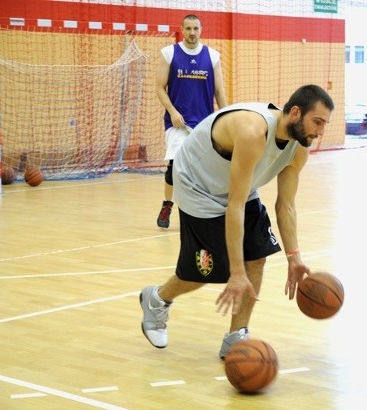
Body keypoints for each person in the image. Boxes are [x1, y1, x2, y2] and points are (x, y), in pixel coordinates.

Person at [139, 84, 335, 359]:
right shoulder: (252, 131)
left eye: (325, 124)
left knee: (257, 258)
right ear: (294, 113)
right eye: (317, 122)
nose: (321, 131)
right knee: (205, 273)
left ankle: (236, 335)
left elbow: (286, 205)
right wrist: (236, 271)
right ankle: (157, 298)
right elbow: (235, 204)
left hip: (237, 186)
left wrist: (294, 257)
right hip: (198, 185)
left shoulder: (298, 149)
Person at [156, 14, 228, 228]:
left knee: (204, 169)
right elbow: (160, 87)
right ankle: (167, 205)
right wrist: (172, 111)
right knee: (174, 167)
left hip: (204, 124)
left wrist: (227, 116)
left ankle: (202, 209)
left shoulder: (212, 56)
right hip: (177, 123)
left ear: (201, 29)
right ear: (182, 29)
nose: (192, 32)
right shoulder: (169, 53)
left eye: (195, 28)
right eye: (188, 28)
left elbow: (219, 90)